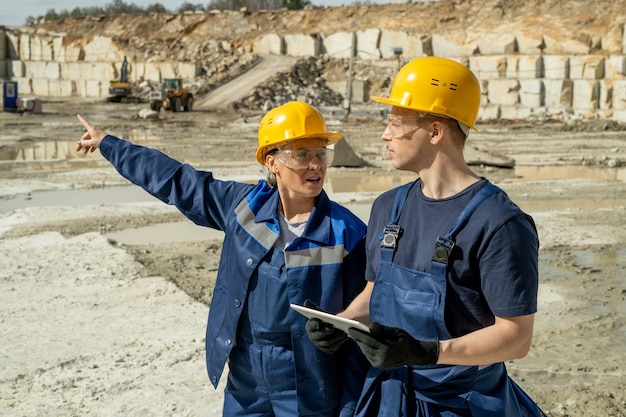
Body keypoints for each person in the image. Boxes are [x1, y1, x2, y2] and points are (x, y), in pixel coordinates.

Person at [75, 101, 369, 416]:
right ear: (272, 162)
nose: (316, 165)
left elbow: (360, 329)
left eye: (321, 154)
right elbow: (177, 181)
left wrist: (352, 407)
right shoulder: (244, 208)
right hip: (248, 379)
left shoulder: (347, 233)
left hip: (310, 385)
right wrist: (109, 144)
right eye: (302, 154)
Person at [305, 57, 547, 416]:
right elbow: (377, 292)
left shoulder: (500, 222)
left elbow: (516, 337)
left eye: (395, 123)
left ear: (435, 132)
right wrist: (345, 323)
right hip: (389, 395)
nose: (385, 134)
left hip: (461, 403)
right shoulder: (388, 208)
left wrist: (429, 352)